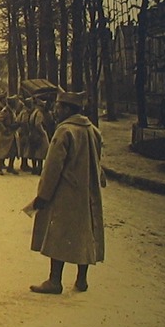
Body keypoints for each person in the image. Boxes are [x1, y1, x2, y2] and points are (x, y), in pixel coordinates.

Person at [27, 91, 106, 294]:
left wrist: (43, 195)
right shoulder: (93, 130)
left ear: (68, 109)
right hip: (88, 192)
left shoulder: (64, 132)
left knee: (58, 233)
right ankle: (81, 280)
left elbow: (52, 167)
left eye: (59, 107)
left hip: (66, 193)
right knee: (84, 233)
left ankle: (55, 281)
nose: (55, 111)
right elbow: (98, 161)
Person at [0, 98, 19, 174]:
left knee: (13, 151)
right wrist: (4, 129)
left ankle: (10, 167)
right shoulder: (5, 111)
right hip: (5, 135)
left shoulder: (11, 110)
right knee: (2, 151)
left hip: (12, 134)